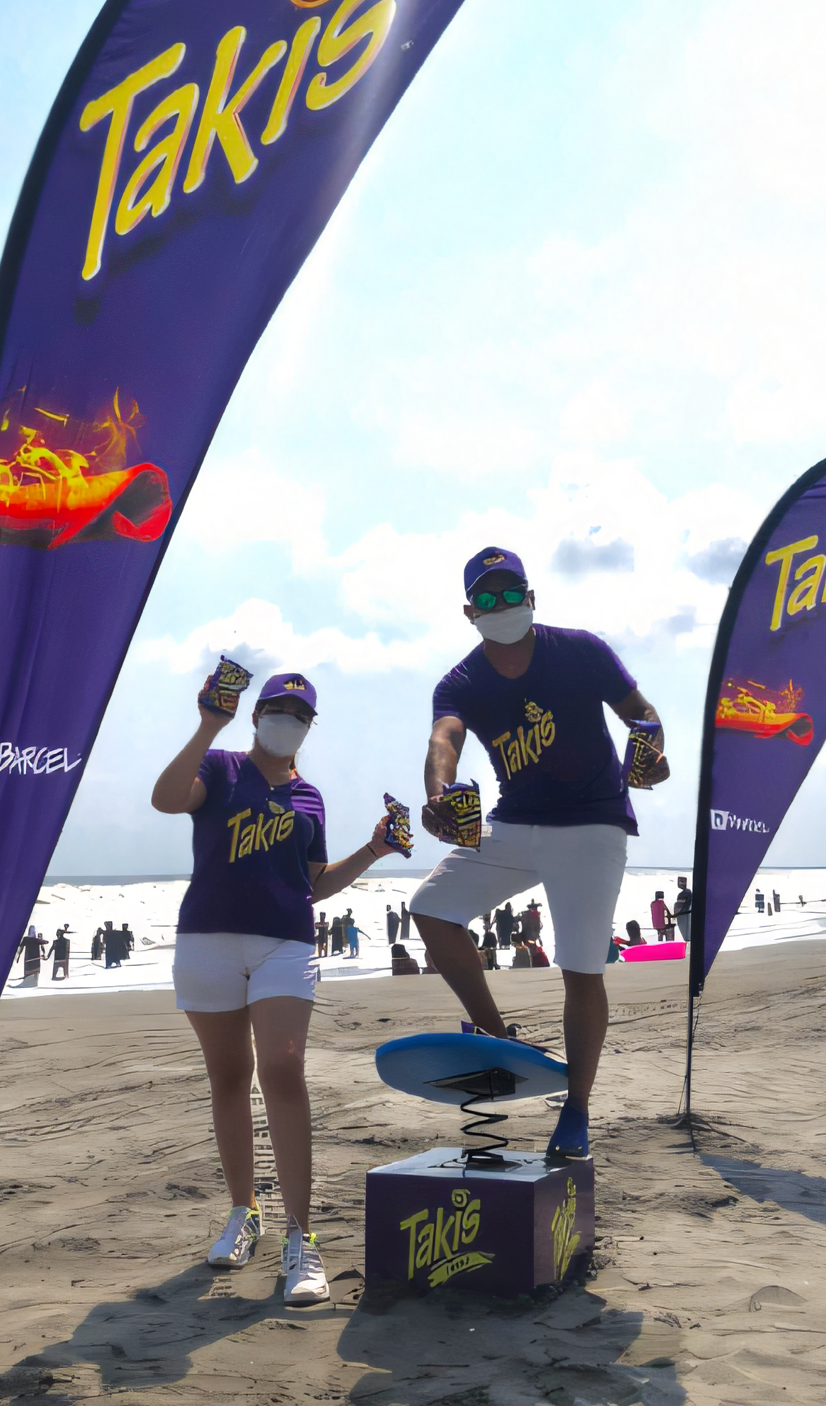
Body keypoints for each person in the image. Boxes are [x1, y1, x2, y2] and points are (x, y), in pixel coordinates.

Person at [151, 668, 404, 1305]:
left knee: (284, 1070)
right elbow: (165, 798)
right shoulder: (221, 764)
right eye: (277, 708)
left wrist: (372, 850)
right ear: (257, 712)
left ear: (309, 727)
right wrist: (210, 721)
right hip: (207, 939)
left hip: (285, 943)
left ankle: (301, 1236)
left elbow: (313, 884)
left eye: (299, 713)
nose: (286, 719)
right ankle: (244, 1213)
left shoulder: (311, 797)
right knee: (229, 1079)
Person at [412, 547, 669, 1161]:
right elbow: (444, 738)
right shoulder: (461, 681)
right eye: (488, 598)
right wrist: (438, 793)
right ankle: (501, 1040)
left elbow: (642, 714)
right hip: (514, 820)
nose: (501, 606)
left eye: (511, 594)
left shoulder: (580, 650)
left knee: (581, 969)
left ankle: (576, 1108)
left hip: (592, 824)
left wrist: (652, 753)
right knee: (430, 909)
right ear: (470, 610)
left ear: (531, 598)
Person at [672, 878, 692, 942]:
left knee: (686, 935)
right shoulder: (687, 893)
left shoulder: (684, 894)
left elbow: (681, 906)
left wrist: (676, 914)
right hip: (684, 915)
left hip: (683, 915)